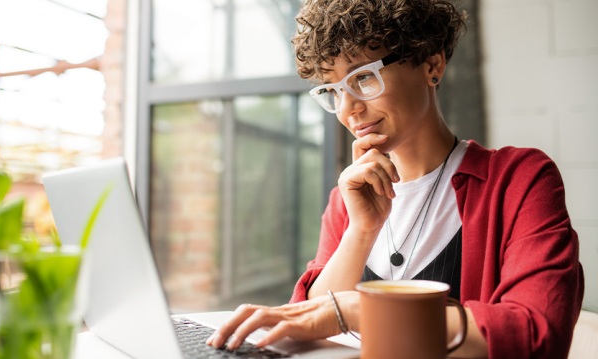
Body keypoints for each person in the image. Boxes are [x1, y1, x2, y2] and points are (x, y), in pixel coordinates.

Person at [206, 0, 585, 357]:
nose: (348, 108)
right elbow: (307, 320)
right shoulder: (348, 198)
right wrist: (361, 231)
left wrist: (363, 308)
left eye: (364, 78)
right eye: (333, 90)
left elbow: (537, 336)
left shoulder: (519, 180)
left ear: (432, 65)